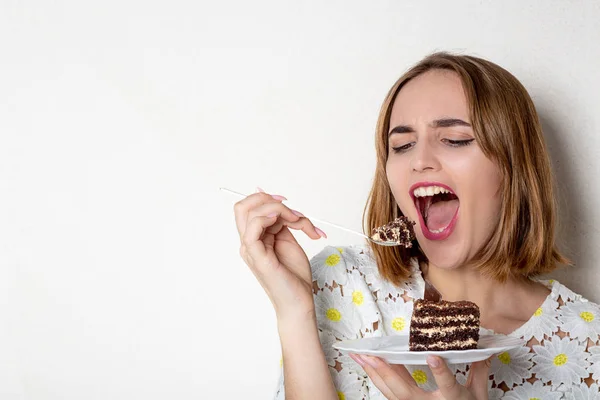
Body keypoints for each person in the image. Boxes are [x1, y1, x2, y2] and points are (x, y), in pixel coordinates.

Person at [233, 52, 600, 399]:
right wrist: (295, 312)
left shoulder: (587, 343)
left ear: (514, 167)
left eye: (455, 140)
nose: (420, 160)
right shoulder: (342, 283)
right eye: (403, 145)